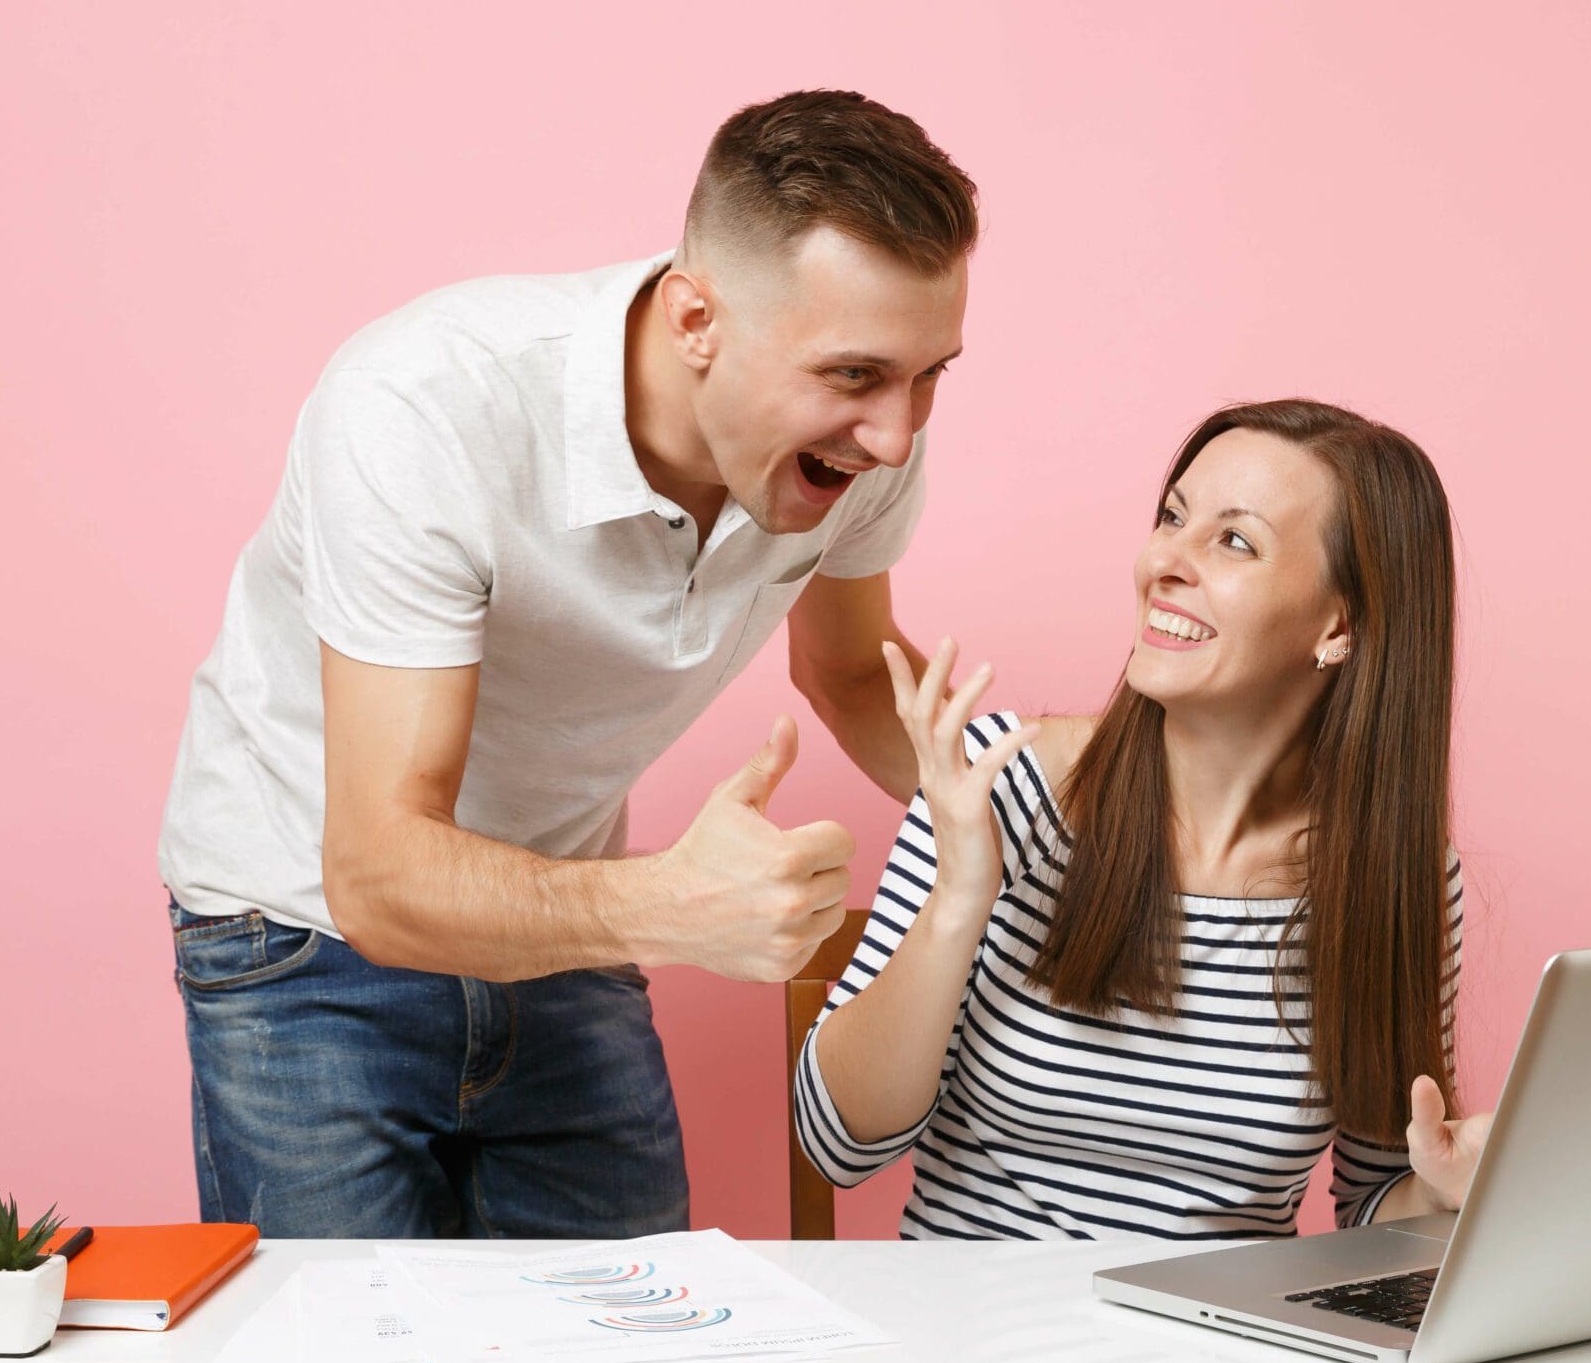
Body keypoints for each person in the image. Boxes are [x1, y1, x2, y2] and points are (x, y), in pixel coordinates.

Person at [159, 90, 977, 1238]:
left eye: (929, 372)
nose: (896, 433)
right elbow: (382, 874)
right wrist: (668, 907)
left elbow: (848, 674)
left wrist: (1039, 804)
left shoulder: (864, 446)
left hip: (563, 913)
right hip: (305, 935)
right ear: (696, 321)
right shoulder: (424, 409)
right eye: (852, 377)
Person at [795, 399, 1489, 1238]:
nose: (1166, 559)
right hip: (972, 1349)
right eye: (1173, 517)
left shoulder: (1393, 876)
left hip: (1220, 1355)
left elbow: (1375, 1206)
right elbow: (838, 1142)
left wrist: (1450, 1188)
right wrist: (957, 900)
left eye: (1234, 540)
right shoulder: (1005, 784)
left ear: (1338, 623)